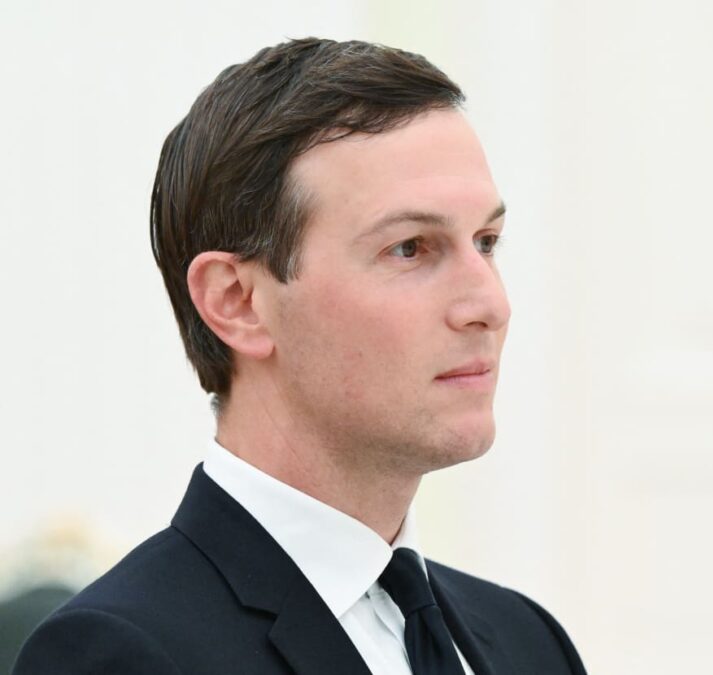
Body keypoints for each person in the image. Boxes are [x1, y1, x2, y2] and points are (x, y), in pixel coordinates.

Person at [14, 38, 586, 675]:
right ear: (238, 302)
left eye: (486, 241)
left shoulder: (529, 641)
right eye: (410, 248)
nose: (491, 304)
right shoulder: (118, 654)